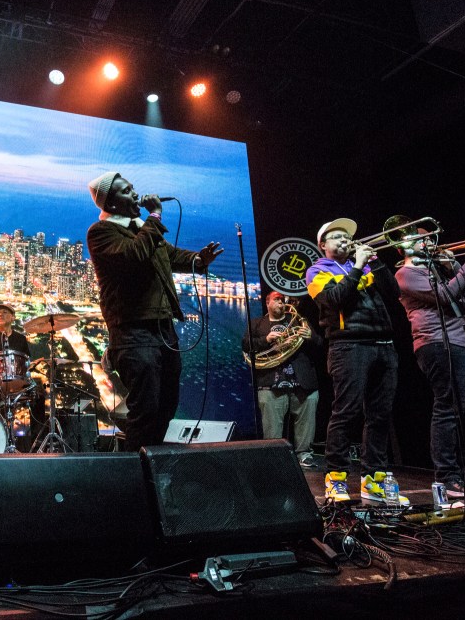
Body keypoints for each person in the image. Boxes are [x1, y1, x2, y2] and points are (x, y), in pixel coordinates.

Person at [86, 172, 222, 452]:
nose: (135, 193)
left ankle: (151, 465)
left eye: (132, 187)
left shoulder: (142, 229)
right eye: (126, 191)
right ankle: (135, 474)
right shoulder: (102, 232)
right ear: (110, 203)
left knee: (166, 404)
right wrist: (155, 216)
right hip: (133, 332)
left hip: (163, 330)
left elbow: (170, 256)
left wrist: (199, 259)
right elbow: (133, 255)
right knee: (145, 409)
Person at [305, 218, 408, 505]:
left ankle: (372, 480)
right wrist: (358, 267)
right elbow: (334, 300)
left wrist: (375, 262)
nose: (343, 240)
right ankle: (335, 478)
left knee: (380, 415)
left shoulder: (362, 265)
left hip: (384, 344)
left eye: (346, 236)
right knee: (346, 412)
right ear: (322, 245)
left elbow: (394, 293)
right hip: (348, 345)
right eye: (335, 237)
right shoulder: (316, 271)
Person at [396, 238, 465, 498]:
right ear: (403, 247)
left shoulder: (434, 271)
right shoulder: (405, 273)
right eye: (419, 239)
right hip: (436, 343)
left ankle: (464, 472)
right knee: (447, 408)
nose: (427, 242)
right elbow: (446, 297)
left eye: (428, 237)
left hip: (461, 341)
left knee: (461, 410)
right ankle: (447, 476)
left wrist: (454, 267)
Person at [243, 291, 323, 468]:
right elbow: (245, 345)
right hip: (271, 382)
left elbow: (320, 345)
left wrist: (310, 337)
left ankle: (304, 454)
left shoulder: (298, 321)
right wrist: (266, 339)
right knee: (272, 427)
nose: (281, 303)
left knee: (306, 421)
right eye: (277, 300)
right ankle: (273, 457)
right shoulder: (257, 324)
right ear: (267, 303)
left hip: (302, 381)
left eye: (283, 300)